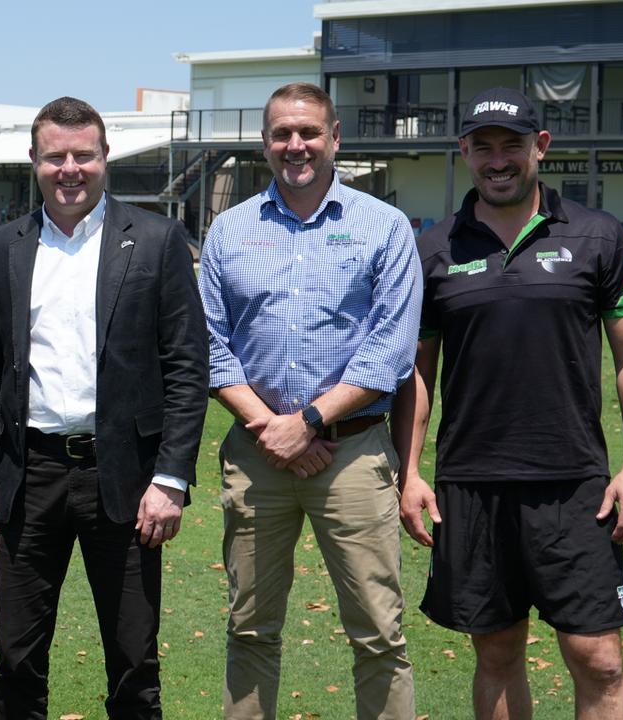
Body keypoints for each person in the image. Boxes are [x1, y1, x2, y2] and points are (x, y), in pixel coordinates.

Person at [394, 87, 623, 720]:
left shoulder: (599, 236)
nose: (498, 160)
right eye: (483, 147)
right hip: (471, 483)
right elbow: (418, 374)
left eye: (512, 146)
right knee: (498, 655)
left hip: (576, 484)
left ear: (540, 148)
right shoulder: (433, 249)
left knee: (600, 658)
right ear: (464, 152)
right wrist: (411, 473)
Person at [0, 96, 209, 720]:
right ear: (34, 160)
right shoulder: (5, 247)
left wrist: (171, 479)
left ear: (106, 159)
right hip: (31, 474)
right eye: (55, 157)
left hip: (127, 478)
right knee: (17, 661)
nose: (69, 169)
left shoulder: (157, 240)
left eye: (84, 155)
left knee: (134, 662)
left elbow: (187, 366)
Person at [198, 82, 420, 719]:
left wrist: (313, 421)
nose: (295, 145)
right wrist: (275, 429)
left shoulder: (382, 228)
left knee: (379, 635)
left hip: (353, 458)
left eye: (308, 133)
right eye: (281, 134)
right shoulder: (230, 229)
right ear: (265, 142)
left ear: (335, 138)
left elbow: (390, 352)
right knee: (250, 630)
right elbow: (211, 345)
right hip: (257, 454)